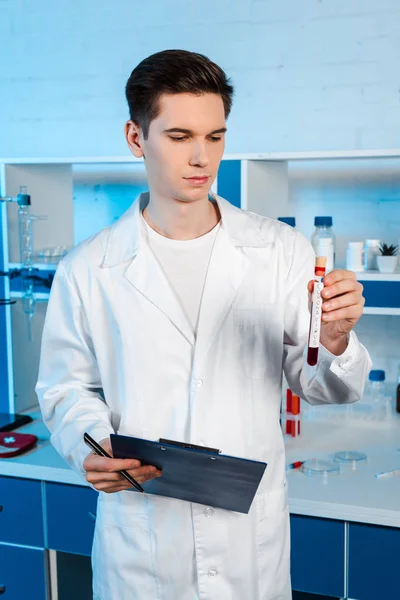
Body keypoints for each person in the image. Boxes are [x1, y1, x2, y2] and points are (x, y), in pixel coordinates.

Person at [36, 49, 372, 600]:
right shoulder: (88, 269)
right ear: (135, 137)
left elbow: (322, 385)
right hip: (143, 545)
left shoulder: (276, 250)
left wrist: (333, 339)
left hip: (247, 550)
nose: (202, 157)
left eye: (215, 137)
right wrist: (90, 447)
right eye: (179, 136)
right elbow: (65, 387)